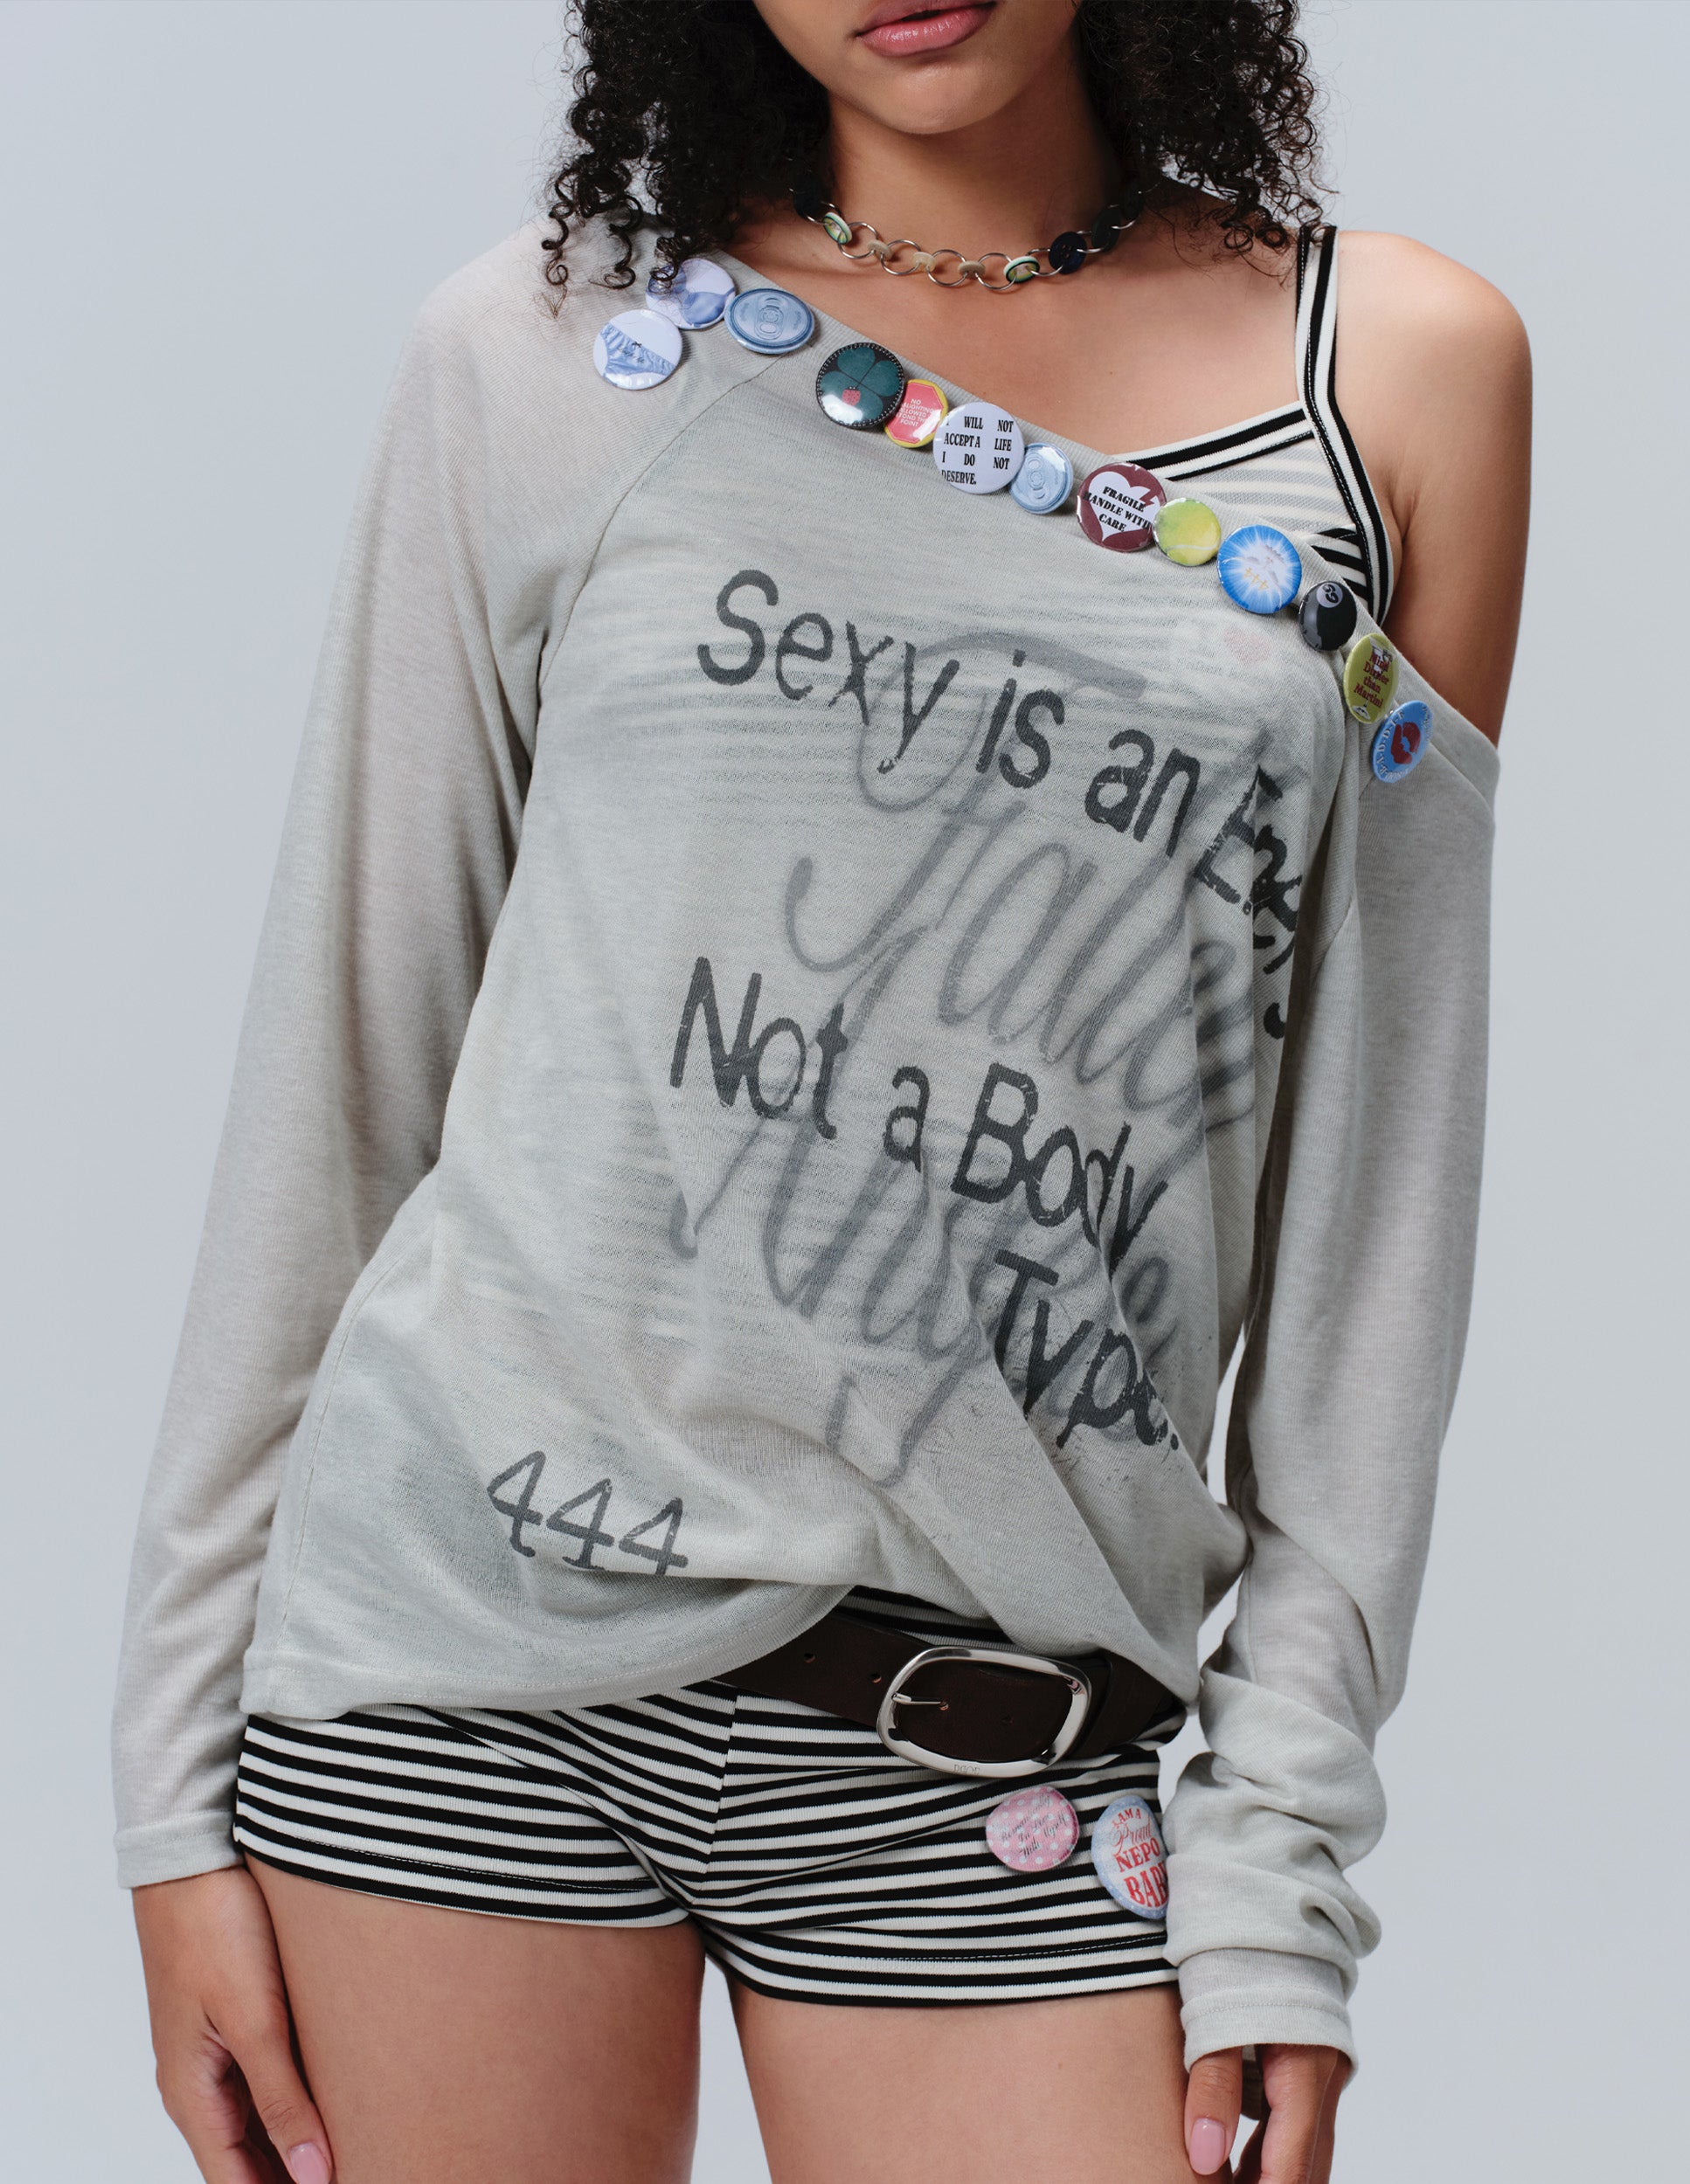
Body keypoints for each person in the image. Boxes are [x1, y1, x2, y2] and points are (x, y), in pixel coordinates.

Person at [114, 3, 1529, 2180]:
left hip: (990, 1733)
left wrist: (1278, 1860)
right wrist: (170, 1786)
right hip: (447, 1681)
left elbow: (1377, 1204)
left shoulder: (1395, 380)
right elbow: (343, 1076)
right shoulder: (546, 355)